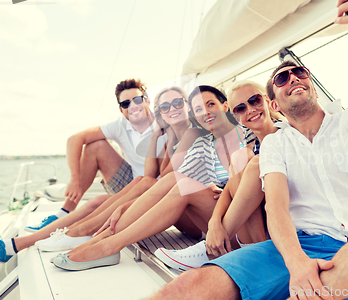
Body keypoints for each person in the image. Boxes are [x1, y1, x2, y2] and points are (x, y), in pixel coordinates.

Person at [147, 0, 348, 300]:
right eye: (281, 79)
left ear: (312, 85)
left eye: (299, 73)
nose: (292, 79)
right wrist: (297, 265)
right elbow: (278, 209)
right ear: (275, 104)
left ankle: (316, 291)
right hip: (300, 245)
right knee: (184, 288)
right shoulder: (275, 146)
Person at [51, 85, 257, 270]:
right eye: (199, 110)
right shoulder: (208, 142)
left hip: (241, 226)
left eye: (211, 104)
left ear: (226, 106)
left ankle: (105, 244)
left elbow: (244, 183)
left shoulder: (243, 136)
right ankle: (99, 241)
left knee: (173, 181)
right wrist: (124, 207)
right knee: (173, 180)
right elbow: (162, 178)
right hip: (215, 215)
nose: (206, 112)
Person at [0, 85, 202, 260]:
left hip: (191, 213)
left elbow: (163, 179)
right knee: (108, 196)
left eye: (177, 103)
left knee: (145, 183)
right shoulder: (169, 137)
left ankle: (80, 232)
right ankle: (37, 237)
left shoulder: (193, 133)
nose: (171, 109)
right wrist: (159, 136)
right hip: (161, 197)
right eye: (165, 107)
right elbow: (154, 174)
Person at [154, 80, 281, 270]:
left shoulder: (286, 135)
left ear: (269, 101)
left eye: (255, 100)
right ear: (235, 114)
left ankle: (214, 250)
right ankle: (234, 247)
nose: (250, 110)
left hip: (282, 225)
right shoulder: (250, 146)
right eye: (240, 108)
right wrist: (214, 221)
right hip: (259, 223)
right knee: (184, 183)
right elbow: (230, 183)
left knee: (245, 162)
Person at [23, 79, 155, 234]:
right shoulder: (121, 125)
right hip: (132, 183)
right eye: (126, 104)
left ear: (147, 101)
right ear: (121, 109)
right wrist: (74, 179)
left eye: (137, 100)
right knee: (95, 146)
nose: (132, 106)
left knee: (97, 202)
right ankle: (64, 213)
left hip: (156, 189)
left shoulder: (164, 124)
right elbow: (74, 139)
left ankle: (66, 232)